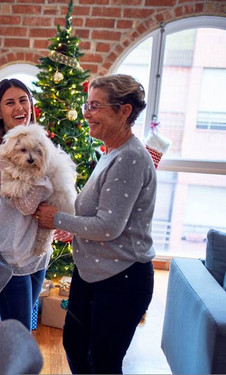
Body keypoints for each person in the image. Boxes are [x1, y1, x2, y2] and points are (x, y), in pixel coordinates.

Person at [36, 74, 156, 374]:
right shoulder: (111, 152)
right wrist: (73, 226)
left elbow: (108, 227)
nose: (87, 113)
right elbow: (102, 215)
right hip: (93, 274)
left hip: (121, 280)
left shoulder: (129, 158)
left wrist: (57, 218)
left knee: (103, 363)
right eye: (86, 105)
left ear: (124, 111)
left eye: (96, 106)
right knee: (75, 346)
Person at [0, 78, 53, 331]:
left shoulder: (40, 144)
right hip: (10, 256)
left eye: (23, 100)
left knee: (23, 332)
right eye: (9, 103)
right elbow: (27, 205)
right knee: (16, 334)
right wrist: (47, 180)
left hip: (37, 254)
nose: (19, 107)